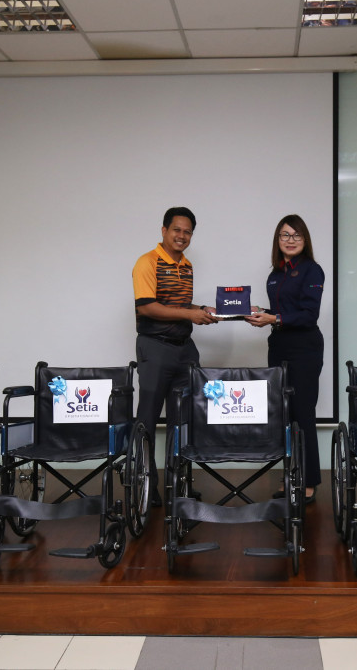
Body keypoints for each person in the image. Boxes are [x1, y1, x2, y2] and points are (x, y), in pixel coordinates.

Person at [133, 207, 217, 506]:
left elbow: (177, 304)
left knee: (182, 422)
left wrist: (202, 309)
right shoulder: (147, 262)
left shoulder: (187, 265)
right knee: (147, 419)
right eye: (176, 230)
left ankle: (177, 487)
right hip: (155, 347)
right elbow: (147, 306)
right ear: (164, 230)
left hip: (184, 349)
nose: (182, 236)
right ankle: (144, 489)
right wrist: (189, 314)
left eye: (187, 232)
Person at [245, 214, 324, 503]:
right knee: (284, 414)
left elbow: (307, 315)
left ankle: (309, 483)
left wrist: (273, 317)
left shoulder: (312, 270)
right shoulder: (275, 274)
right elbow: (281, 312)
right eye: (284, 235)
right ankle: (292, 475)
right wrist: (260, 312)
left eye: (296, 235)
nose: (290, 241)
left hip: (304, 348)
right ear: (278, 240)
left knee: (303, 414)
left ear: (305, 240)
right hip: (278, 345)